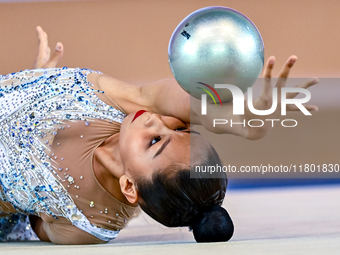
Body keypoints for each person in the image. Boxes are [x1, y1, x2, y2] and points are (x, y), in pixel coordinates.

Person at [0, 26, 319, 245]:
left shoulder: (91, 221)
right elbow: (198, 107)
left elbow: (29, 227)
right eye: (180, 127)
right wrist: (240, 117)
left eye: (155, 141)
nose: (157, 122)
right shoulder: (135, 102)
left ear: (128, 185)